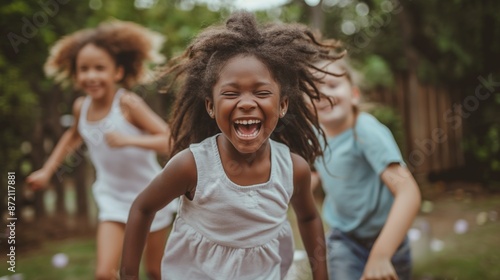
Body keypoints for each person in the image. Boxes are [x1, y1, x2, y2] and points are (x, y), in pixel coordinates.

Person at [120, 11, 343, 280]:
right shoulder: (192, 167)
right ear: (211, 106)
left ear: (283, 105)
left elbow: (308, 218)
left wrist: (322, 276)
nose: (246, 102)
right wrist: (129, 275)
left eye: (261, 93)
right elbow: (143, 207)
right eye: (231, 93)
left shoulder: (293, 169)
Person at [26, 20, 177, 280]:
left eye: (99, 68)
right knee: (104, 274)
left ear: (117, 72)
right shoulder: (80, 108)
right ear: (75, 75)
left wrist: (131, 141)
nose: (91, 76)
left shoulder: (128, 104)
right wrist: (46, 171)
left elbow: (170, 140)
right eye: (83, 69)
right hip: (113, 199)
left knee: (155, 271)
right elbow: (72, 137)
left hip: (151, 197)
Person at [310, 53, 422, 280]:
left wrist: (381, 255)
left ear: (354, 95)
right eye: (313, 90)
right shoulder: (316, 136)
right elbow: (315, 174)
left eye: (332, 84)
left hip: (386, 240)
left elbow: (408, 192)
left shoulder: (364, 131)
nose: (323, 92)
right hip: (344, 239)